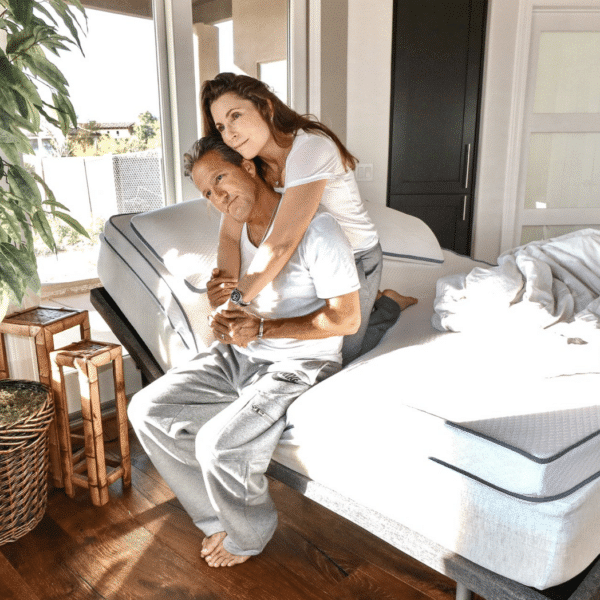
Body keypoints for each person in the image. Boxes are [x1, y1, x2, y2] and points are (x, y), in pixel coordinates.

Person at [128, 135, 361, 568]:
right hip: (244, 353)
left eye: (221, 178)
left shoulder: (318, 229)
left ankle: (249, 534)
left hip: (302, 362)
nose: (218, 197)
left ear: (249, 168)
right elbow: (234, 295)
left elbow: (347, 320)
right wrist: (225, 311)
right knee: (145, 409)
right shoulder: (235, 226)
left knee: (218, 445)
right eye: (208, 193)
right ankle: (215, 518)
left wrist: (264, 326)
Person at [201, 72, 417, 365]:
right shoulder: (252, 165)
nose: (230, 134)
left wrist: (237, 300)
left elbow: (281, 242)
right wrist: (225, 288)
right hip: (307, 261)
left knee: (344, 354)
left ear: (266, 106)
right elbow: (229, 235)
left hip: (354, 257)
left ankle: (389, 303)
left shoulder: (311, 149)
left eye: (236, 116)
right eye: (221, 127)